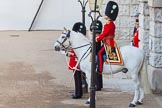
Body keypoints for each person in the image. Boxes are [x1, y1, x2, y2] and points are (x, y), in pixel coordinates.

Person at [95, 1, 119, 73]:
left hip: (109, 43)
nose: (105, 16)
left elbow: (104, 34)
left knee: (99, 53)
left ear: (109, 16)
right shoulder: (109, 24)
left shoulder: (110, 25)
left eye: (107, 15)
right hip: (107, 42)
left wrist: (97, 38)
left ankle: (100, 69)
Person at [67, 22, 86, 99]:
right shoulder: (81, 40)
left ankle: (78, 93)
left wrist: (68, 54)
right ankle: (79, 91)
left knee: (77, 78)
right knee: (79, 77)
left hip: (76, 62)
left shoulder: (78, 41)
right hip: (78, 61)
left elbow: (75, 52)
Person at [90, 20, 104, 91]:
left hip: (97, 53)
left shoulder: (97, 38)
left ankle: (98, 85)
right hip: (96, 51)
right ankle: (99, 84)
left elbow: (96, 47)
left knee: (96, 68)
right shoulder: (96, 37)